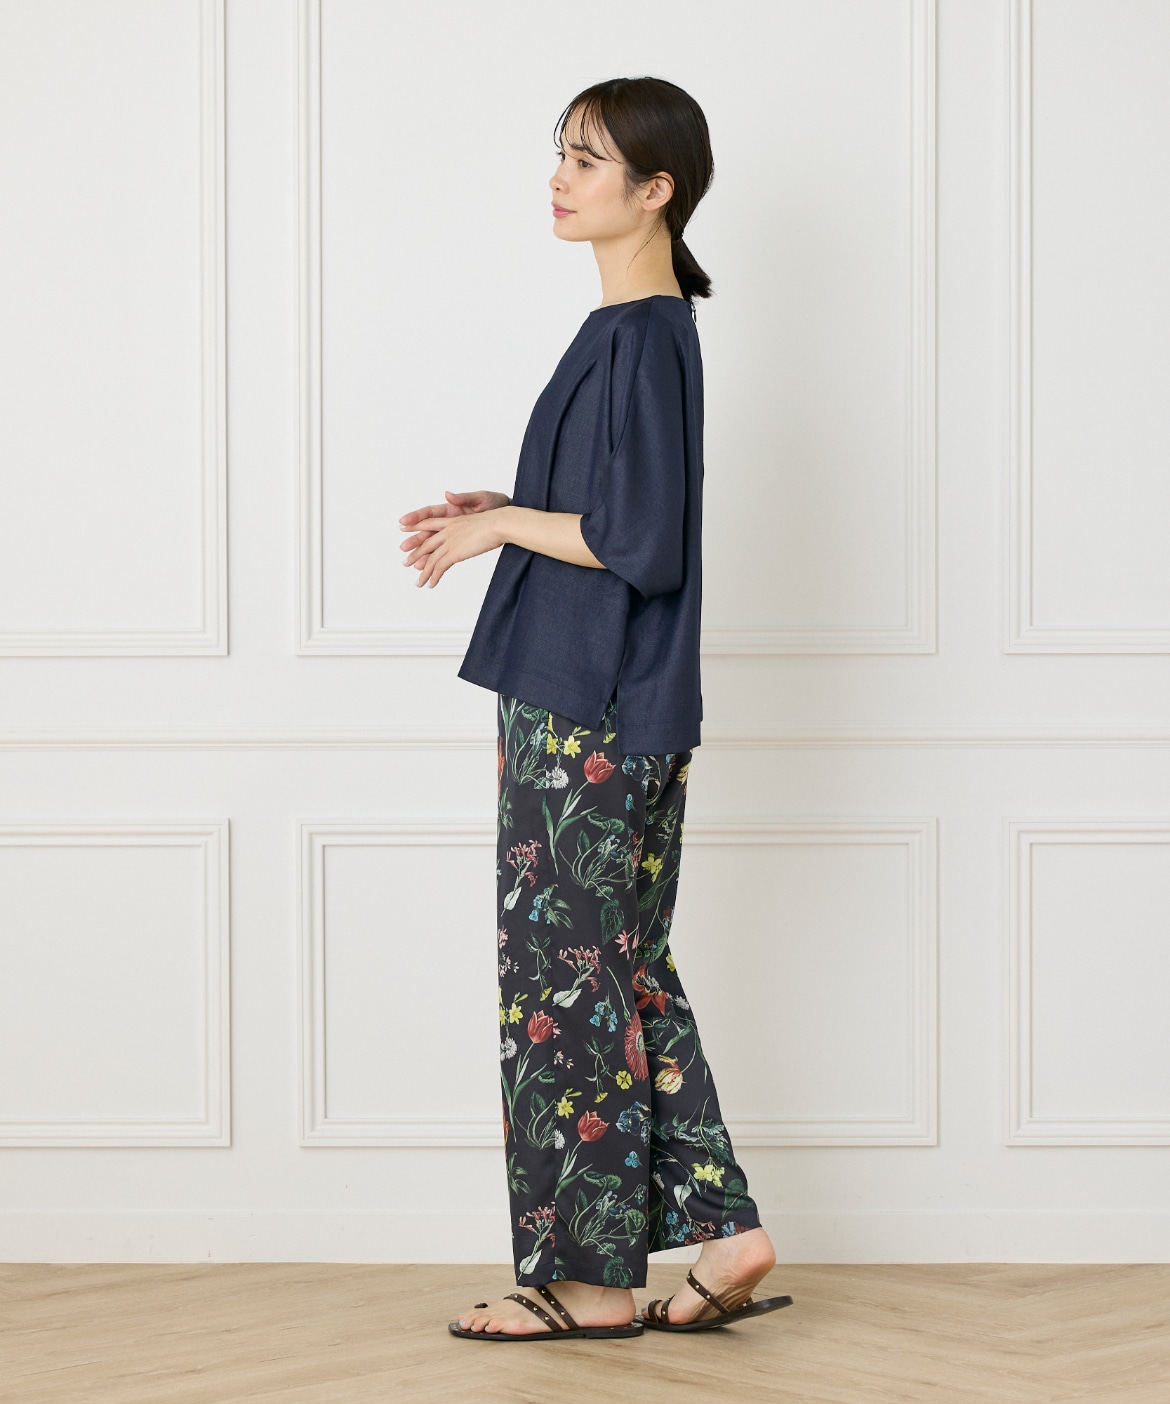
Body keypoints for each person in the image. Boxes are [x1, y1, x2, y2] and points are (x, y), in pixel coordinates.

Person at [399, 77, 791, 1342]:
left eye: (587, 160)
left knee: (563, 988)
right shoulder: (634, 330)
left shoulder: (642, 334)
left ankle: (593, 1283)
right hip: (613, 701)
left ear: (655, 189)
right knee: (622, 972)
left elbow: (642, 544)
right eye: (560, 154)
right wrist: (510, 507)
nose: (559, 179)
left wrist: (506, 526)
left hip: (588, 710)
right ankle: (727, 1233)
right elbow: (617, 517)